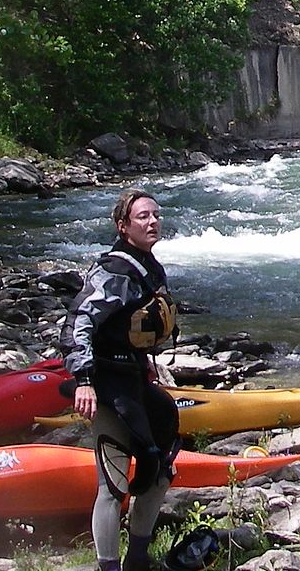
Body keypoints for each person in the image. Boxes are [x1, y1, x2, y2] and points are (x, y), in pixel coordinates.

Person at [62, 189, 186, 571]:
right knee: (112, 485)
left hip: (133, 379)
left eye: (156, 215)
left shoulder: (147, 266)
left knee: (160, 470)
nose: (152, 222)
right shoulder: (113, 272)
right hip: (108, 388)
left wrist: (145, 363)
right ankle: (108, 566)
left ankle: (137, 559)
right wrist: (83, 379)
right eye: (142, 217)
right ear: (123, 226)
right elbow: (78, 321)